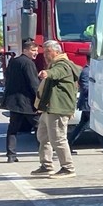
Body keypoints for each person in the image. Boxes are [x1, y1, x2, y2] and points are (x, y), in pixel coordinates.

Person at [31, 40, 81, 177]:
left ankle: (68, 168)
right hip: (49, 108)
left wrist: (47, 73)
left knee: (58, 139)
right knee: (43, 136)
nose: (45, 54)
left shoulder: (63, 65)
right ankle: (46, 165)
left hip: (58, 108)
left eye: (48, 51)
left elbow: (56, 72)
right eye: (45, 51)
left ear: (57, 52)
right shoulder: (54, 64)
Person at [2, 38, 41, 163]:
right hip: (27, 102)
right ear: (25, 50)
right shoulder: (28, 63)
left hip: (14, 101)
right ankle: (44, 152)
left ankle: (11, 155)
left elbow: (8, 79)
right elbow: (33, 84)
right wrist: (40, 100)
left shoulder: (13, 62)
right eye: (33, 50)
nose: (35, 53)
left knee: (13, 128)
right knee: (39, 127)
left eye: (36, 50)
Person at [67, 54, 103, 152]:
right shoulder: (86, 72)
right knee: (99, 123)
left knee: (84, 125)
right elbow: (86, 88)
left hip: (91, 103)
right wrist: (99, 89)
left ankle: (68, 144)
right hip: (89, 103)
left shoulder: (92, 71)